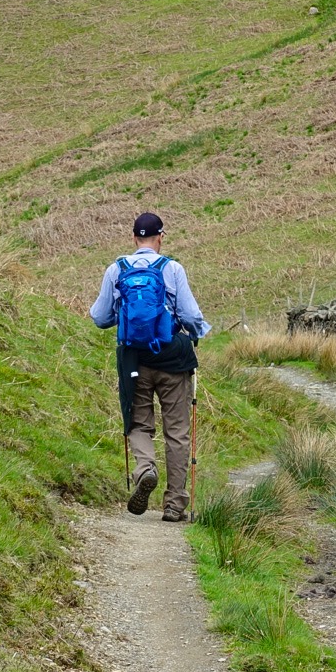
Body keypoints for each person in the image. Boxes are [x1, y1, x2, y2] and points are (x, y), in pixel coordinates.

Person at [91, 212, 212, 522]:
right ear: (161, 237)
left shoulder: (116, 270)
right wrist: (197, 333)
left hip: (134, 359)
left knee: (138, 422)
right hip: (172, 358)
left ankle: (145, 469)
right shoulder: (171, 268)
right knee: (177, 431)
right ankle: (174, 504)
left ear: (134, 239)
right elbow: (191, 315)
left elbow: (101, 317)